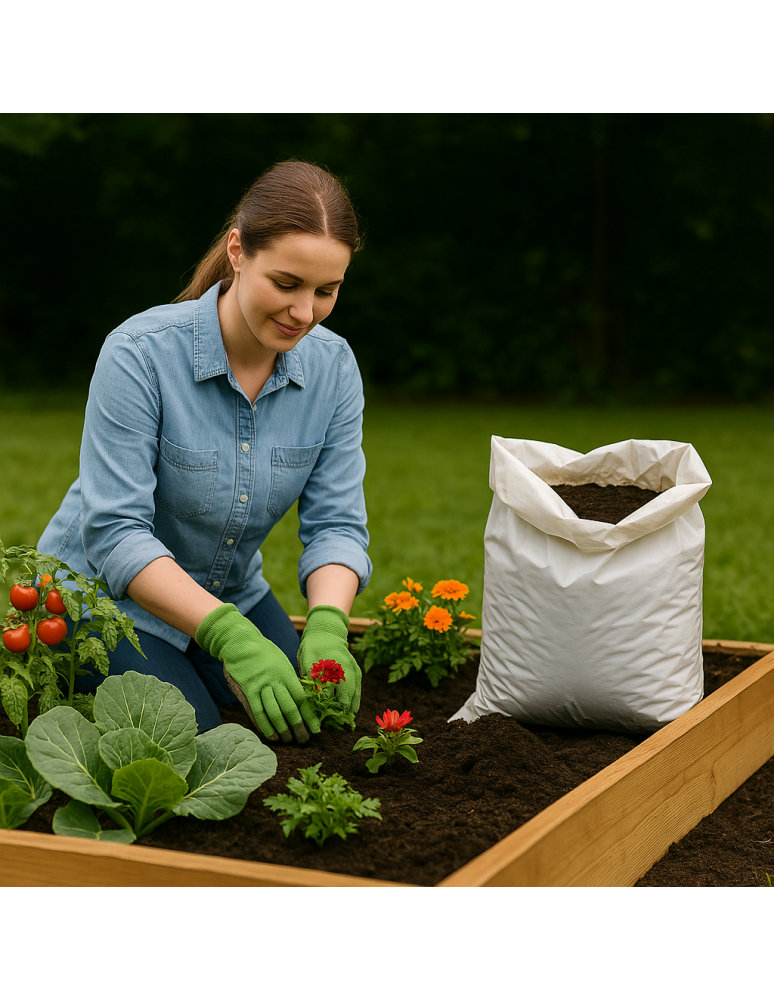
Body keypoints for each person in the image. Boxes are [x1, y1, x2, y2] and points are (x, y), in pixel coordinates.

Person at [38, 160, 371, 744]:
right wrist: (231, 638)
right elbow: (117, 532)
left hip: (228, 589)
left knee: (311, 719)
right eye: (287, 284)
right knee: (198, 740)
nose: (304, 313)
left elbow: (338, 524)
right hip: (99, 597)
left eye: (327, 290)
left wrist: (327, 626)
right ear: (238, 251)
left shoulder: (333, 367)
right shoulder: (140, 354)